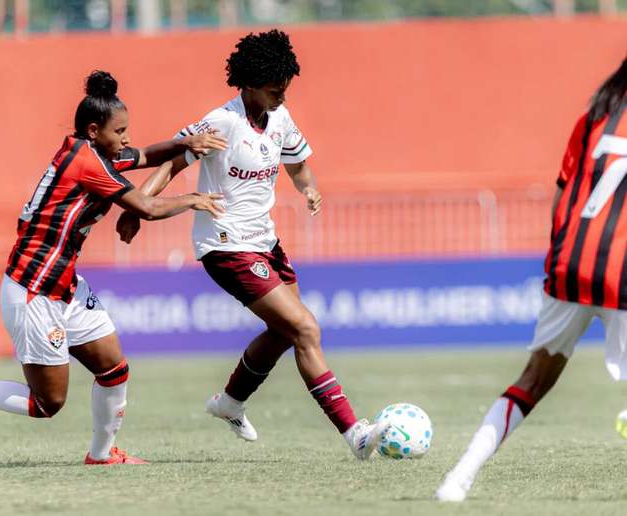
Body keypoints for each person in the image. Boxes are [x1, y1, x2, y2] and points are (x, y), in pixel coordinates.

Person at [0, 70, 228, 465]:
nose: (126, 138)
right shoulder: (85, 163)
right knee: (49, 403)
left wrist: (188, 145)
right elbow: (145, 207)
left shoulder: (95, 152)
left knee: (113, 367)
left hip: (63, 284)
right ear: (94, 131)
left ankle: (101, 454)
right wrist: (194, 198)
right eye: (120, 130)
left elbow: (144, 155)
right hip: (33, 290)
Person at [115, 29, 390, 460]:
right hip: (225, 244)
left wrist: (309, 189)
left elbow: (299, 165)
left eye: (285, 88)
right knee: (306, 328)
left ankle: (230, 402)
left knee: (284, 334)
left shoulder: (280, 117)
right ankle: (355, 433)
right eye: (273, 89)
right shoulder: (222, 122)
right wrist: (137, 208)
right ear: (247, 84)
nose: (281, 95)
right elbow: (172, 162)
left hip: (266, 241)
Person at [436, 57, 627, 502]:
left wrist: (560, 259)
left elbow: (562, 196)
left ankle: (457, 479)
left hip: (567, 268)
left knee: (531, 383)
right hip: (621, 275)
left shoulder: (595, 116)